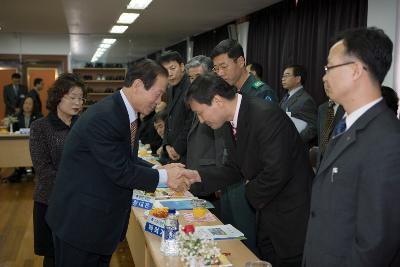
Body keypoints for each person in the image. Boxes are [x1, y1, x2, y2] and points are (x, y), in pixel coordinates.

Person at [45, 59, 188, 267]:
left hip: (97, 224)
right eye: (157, 93)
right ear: (138, 86)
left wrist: (158, 168)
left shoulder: (124, 112)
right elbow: (121, 170)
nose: (159, 101)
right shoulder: (106, 117)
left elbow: (124, 158)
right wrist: (165, 177)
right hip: (80, 224)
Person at [183, 73, 313, 266]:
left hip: (291, 217)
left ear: (217, 100)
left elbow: (276, 172)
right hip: (268, 213)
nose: (201, 121)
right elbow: (235, 168)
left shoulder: (264, 114)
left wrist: (248, 188)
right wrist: (198, 177)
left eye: (200, 113)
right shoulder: (230, 122)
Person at [303, 27, 400, 267]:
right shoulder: (345, 125)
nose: (324, 77)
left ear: (356, 70)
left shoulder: (388, 140)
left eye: (329, 68)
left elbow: (376, 243)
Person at [29, 73, 86, 267]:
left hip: (81, 203)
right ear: (58, 97)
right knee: (53, 257)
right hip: (51, 201)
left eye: (81, 98)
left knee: (79, 255)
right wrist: (77, 186)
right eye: (73, 97)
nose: (78, 102)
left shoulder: (84, 126)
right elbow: (43, 170)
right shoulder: (40, 127)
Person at [185, 56, 225, 219]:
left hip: (212, 175)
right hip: (198, 172)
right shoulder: (199, 99)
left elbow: (221, 144)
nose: (194, 82)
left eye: (198, 77)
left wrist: (220, 178)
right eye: (191, 78)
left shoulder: (216, 102)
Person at [211, 39, 277, 102]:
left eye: (224, 66)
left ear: (240, 62)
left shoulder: (262, 93)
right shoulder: (228, 91)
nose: (220, 73)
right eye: (216, 69)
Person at [158, 51, 194, 163]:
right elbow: (168, 119)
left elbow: (191, 121)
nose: (169, 73)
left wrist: (177, 148)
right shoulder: (169, 89)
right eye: (165, 70)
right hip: (172, 150)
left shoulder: (191, 88)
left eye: (172, 68)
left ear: (182, 66)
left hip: (187, 152)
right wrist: (166, 145)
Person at [280, 64, 317, 146]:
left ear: (298, 79)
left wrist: (296, 140)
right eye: (283, 76)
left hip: (296, 148)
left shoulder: (306, 100)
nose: (283, 79)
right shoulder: (286, 97)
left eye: (287, 76)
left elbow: (313, 127)